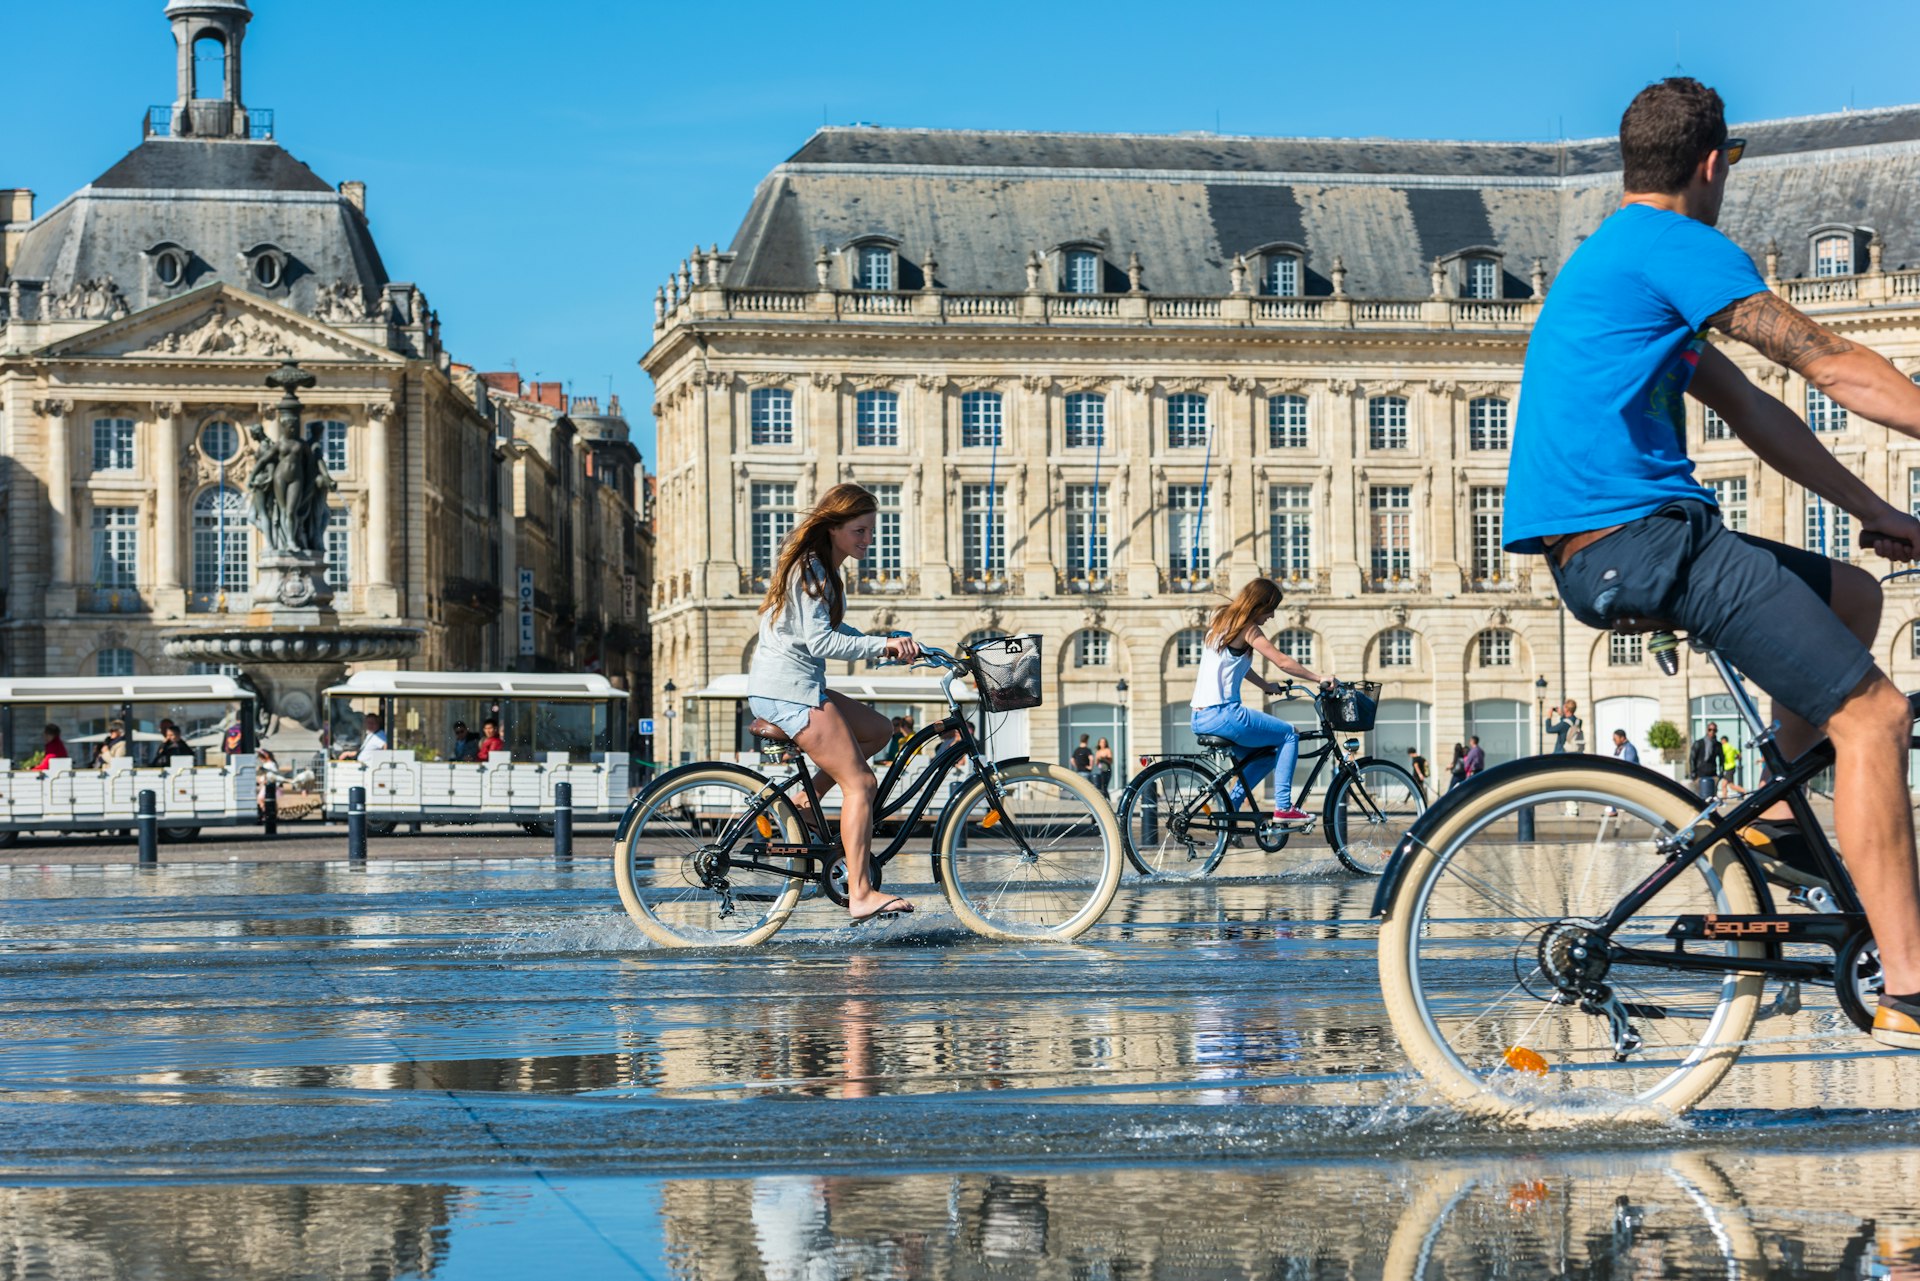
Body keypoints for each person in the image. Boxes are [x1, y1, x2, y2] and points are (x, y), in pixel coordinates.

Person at [1503, 77, 1920, 1047]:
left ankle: (1776, 818)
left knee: (1855, 596)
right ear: (1712, 163)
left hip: (1619, 541)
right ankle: (1907, 982)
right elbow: (1828, 362)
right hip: (1640, 539)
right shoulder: (1676, 246)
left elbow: (1757, 411)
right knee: (1876, 715)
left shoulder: (1618, 261)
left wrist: (1875, 509)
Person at [746, 483, 920, 923]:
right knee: (860, 784)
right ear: (835, 527)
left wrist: (893, 645)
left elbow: (825, 635)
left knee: (878, 731)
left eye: (870, 531)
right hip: (789, 691)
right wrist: (881, 648)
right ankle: (861, 892)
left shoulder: (820, 567)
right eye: (859, 531)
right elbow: (820, 639)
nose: (868, 540)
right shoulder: (813, 569)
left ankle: (806, 800)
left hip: (798, 685)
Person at [1188, 577, 1331, 828]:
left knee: (1264, 757)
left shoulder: (1222, 621)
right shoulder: (1248, 628)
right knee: (1289, 734)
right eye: (1271, 608)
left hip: (1200, 717)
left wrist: (1265, 686)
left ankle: (1230, 810)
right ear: (1259, 605)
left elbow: (1233, 665)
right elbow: (1282, 661)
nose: (1272, 615)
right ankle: (1284, 807)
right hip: (1224, 714)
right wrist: (1319, 678)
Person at [1689, 722, 1723, 801]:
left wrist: (1720, 774)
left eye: (1714, 730)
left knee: (1712, 799)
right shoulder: (1698, 743)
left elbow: (1722, 759)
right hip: (1699, 775)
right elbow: (1692, 758)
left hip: (1713, 775)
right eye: (1710, 730)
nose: (1712, 732)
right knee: (1699, 799)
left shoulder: (1718, 745)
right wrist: (1693, 774)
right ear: (1707, 730)